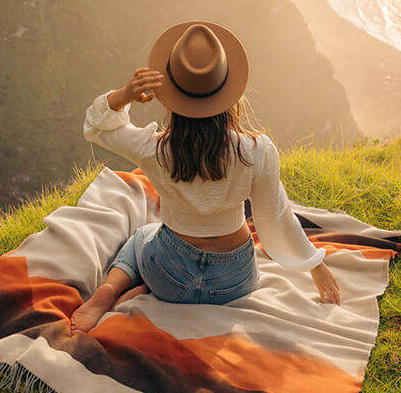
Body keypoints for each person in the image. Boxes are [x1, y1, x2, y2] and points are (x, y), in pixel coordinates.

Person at [70, 21, 340, 334]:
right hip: (233, 283)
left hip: (168, 277)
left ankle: (108, 293)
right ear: (229, 93)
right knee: (156, 236)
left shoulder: (153, 149)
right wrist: (314, 265)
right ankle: (146, 292)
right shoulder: (256, 151)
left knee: (142, 235)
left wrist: (125, 95)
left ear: (172, 95)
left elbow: (96, 126)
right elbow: (277, 218)